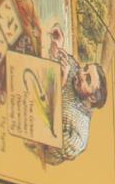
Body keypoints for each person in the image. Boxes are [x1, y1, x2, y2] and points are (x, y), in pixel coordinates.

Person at [40, 25, 107, 164]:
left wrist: (61, 83)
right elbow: (55, 57)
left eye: (87, 79)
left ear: (92, 97)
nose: (81, 73)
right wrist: (57, 46)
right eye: (85, 68)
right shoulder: (75, 72)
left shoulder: (79, 134)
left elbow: (47, 139)